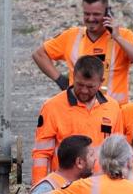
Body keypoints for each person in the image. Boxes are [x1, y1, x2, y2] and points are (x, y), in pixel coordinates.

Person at [32, 0, 133, 104]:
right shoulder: (72, 36)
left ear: (107, 12)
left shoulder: (123, 35)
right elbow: (39, 54)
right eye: (87, 14)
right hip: (80, 111)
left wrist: (118, 37)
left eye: (96, 14)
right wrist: (60, 80)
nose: (91, 19)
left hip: (115, 114)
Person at [31, 55, 124, 184]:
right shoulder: (52, 107)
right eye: (79, 85)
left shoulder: (113, 108)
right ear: (73, 76)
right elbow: (41, 154)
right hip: (64, 186)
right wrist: (38, 187)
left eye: (90, 87)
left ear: (101, 82)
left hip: (100, 187)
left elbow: (118, 151)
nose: (84, 91)